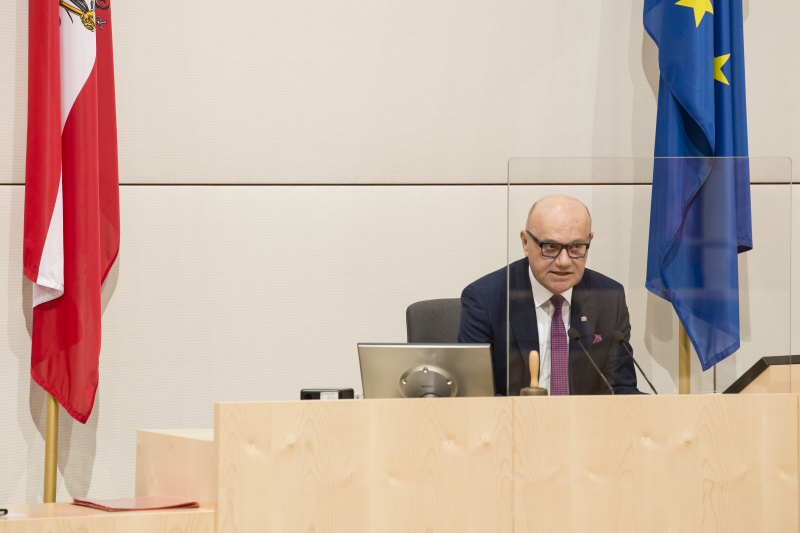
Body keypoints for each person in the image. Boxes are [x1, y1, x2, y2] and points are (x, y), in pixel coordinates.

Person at [458, 194, 640, 396]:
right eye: (551, 247)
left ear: (589, 241)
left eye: (576, 247)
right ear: (525, 243)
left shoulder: (609, 298)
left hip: (584, 416)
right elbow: (475, 396)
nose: (564, 262)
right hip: (513, 416)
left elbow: (621, 389)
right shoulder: (486, 299)